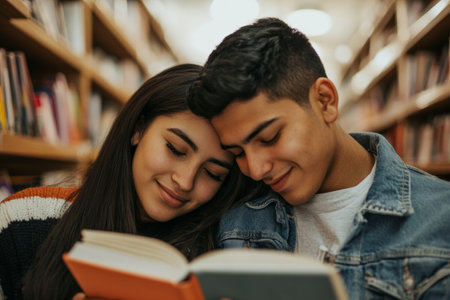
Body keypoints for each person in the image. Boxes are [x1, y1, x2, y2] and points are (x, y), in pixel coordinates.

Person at [188, 18, 450, 299]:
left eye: (270, 137)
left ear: (325, 101)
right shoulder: (237, 218)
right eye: (237, 153)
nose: (255, 169)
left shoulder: (440, 216)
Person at [0, 64, 259, 300]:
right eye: (175, 149)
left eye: (213, 173)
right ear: (138, 129)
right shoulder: (21, 219)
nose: (185, 181)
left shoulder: (217, 255)